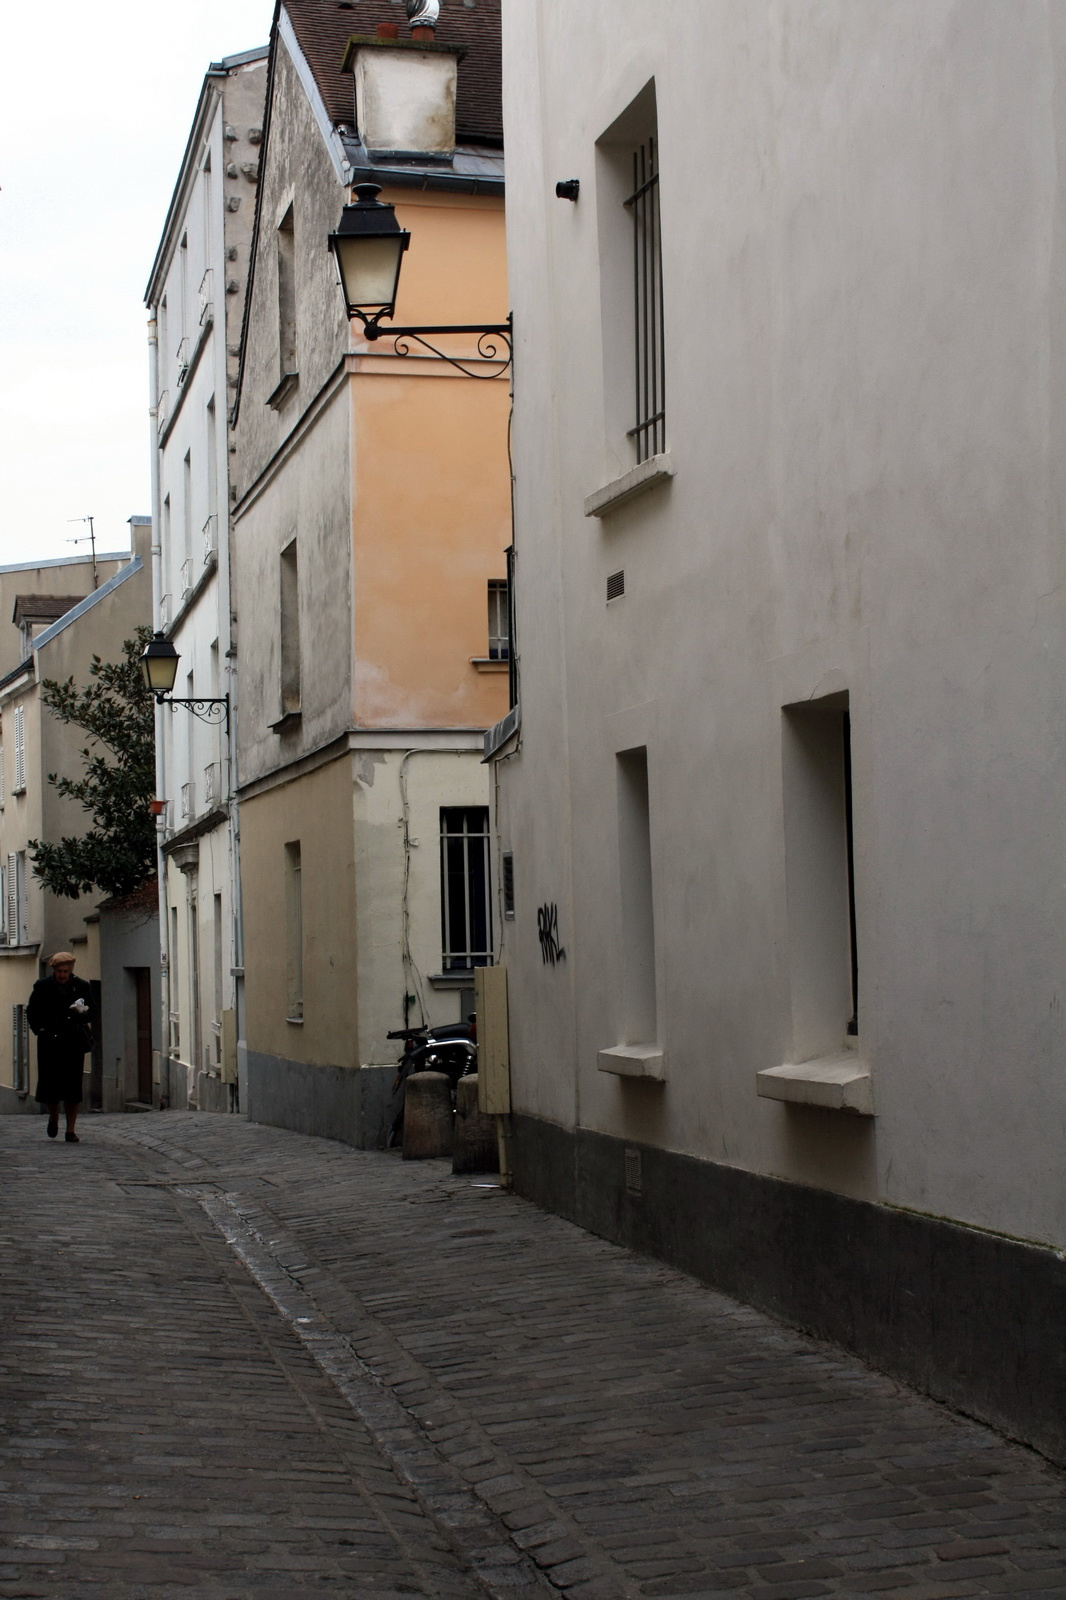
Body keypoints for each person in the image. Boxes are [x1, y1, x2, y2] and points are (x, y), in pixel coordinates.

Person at [27, 953, 95, 1143]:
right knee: (51, 1085)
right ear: (54, 971)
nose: (62, 975)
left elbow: (92, 1011)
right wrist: (39, 1029)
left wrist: (82, 1012)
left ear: (71, 970)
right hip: (50, 1041)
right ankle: (54, 1117)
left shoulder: (82, 986)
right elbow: (32, 1011)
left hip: (73, 1042)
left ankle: (70, 1130)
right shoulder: (42, 986)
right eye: (59, 971)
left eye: (65, 971)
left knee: (73, 1087)